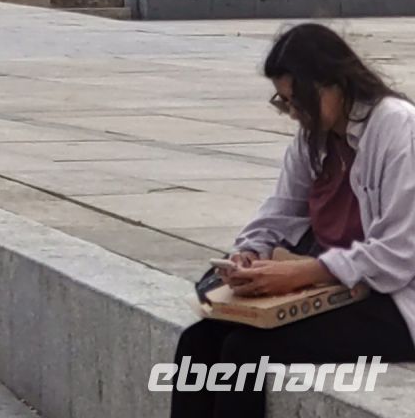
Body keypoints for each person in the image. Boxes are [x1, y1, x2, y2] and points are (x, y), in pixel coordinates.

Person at [169, 23, 415, 416]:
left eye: (297, 100)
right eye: (284, 102)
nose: (293, 114)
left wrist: (301, 273)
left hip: (394, 303)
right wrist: (249, 253)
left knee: (244, 351)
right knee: (199, 341)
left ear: (333, 82)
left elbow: (397, 256)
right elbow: (279, 210)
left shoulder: (397, 126)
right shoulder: (312, 137)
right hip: (335, 290)